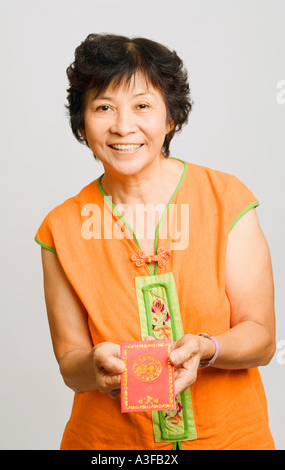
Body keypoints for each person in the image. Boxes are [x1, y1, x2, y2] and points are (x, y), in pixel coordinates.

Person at [34, 33, 276, 450]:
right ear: (81, 122)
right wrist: (94, 367)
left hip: (230, 439)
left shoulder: (225, 198)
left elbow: (262, 337)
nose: (123, 126)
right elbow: (70, 365)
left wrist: (206, 348)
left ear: (171, 119)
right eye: (103, 107)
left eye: (142, 106)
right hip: (109, 446)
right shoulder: (61, 226)